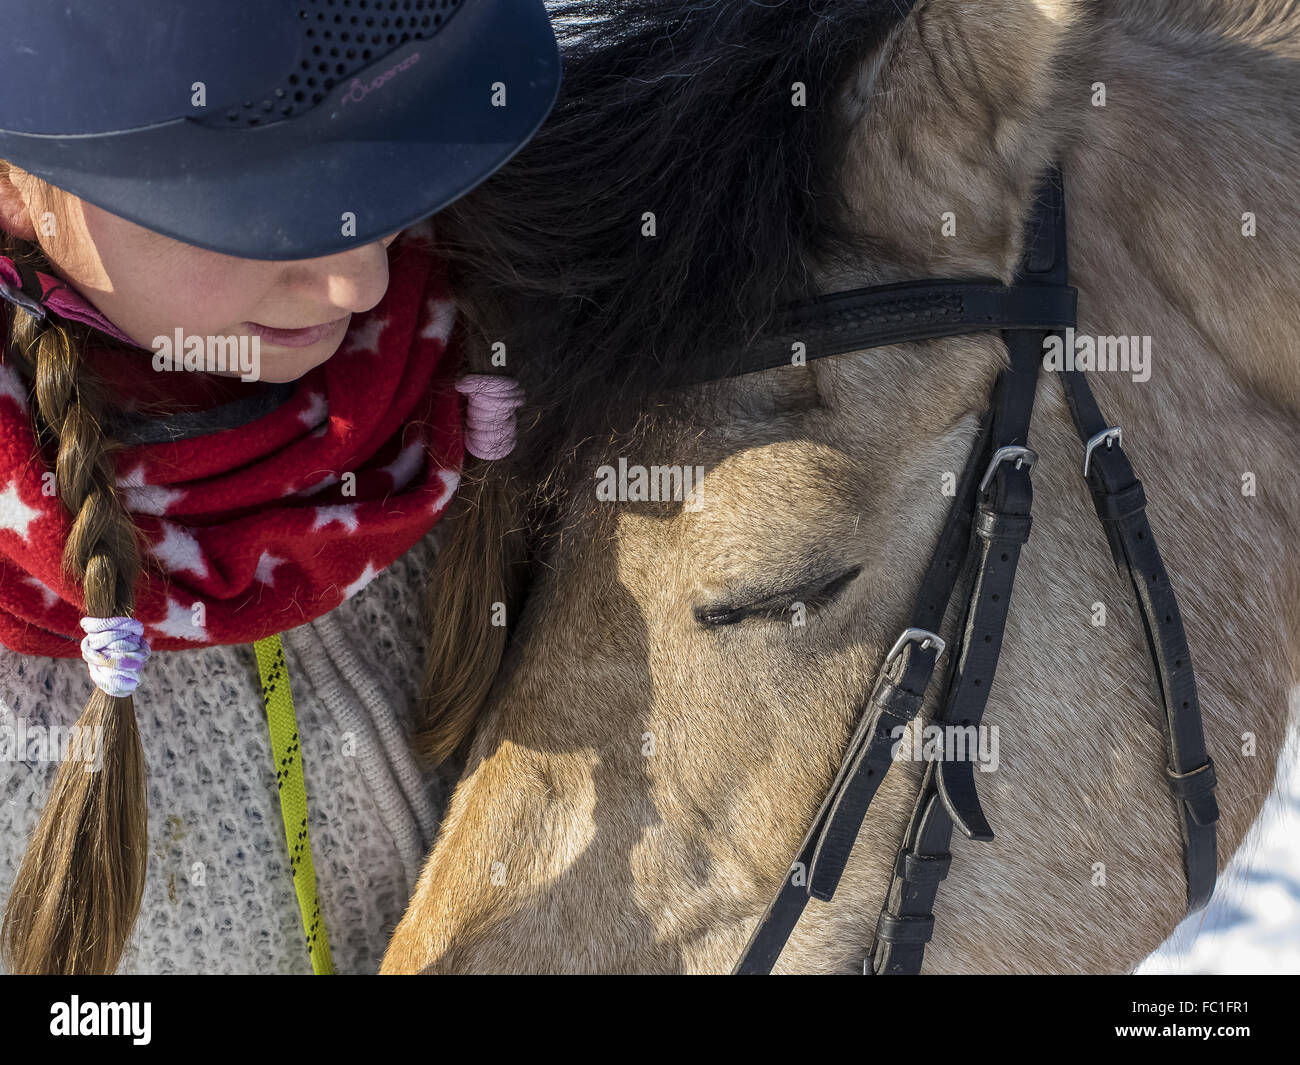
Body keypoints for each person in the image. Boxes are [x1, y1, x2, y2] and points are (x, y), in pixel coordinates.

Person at [0, 0, 559, 975]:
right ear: (17, 188)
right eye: (261, 215)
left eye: (383, 181)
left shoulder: (489, 374)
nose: (362, 286)